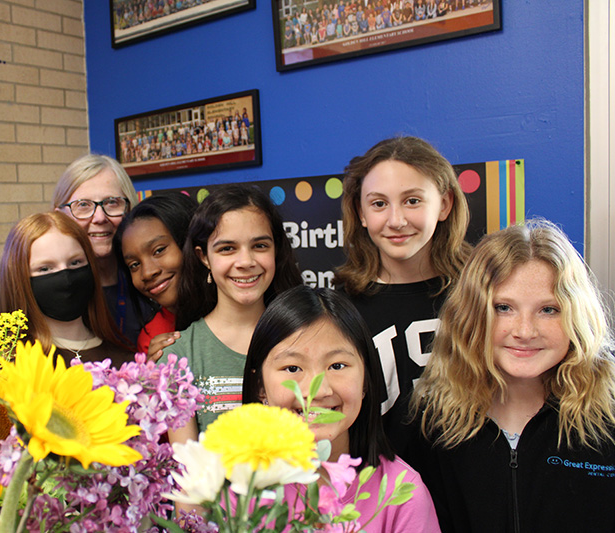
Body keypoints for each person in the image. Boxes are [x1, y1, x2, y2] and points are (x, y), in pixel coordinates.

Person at [405, 220, 615, 532]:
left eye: (549, 310)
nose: (525, 331)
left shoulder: (609, 413)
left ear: (576, 314)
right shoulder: (428, 421)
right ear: (471, 315)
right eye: (504, 308)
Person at [243, 286, 440, 532]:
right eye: (292, 368)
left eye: (337, 365)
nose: (318, 390)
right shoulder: (239, 490)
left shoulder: (401, 493)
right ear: (260, 387)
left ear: (366, 380)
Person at [335, 136, 471, 451]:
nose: (396, 221)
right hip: (380, 492)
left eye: (412, 200)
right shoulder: (340, 309)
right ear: (362, 213)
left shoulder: (480, 294)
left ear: (445, 204)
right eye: (379, 203)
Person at [163, 184, 301, 441]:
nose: (246, 262)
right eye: (227, 248)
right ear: (203, 257)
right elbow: (188, 469)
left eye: (260, 246)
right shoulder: (179, 356)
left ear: (276, 249)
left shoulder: (306, 335)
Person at [0, 212, 133, 368]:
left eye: (75, 262)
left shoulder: (125, 361)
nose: (66, 277)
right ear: (20, 278)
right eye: (45, 268)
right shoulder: (9, 362)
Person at [52, 153, 152, 348]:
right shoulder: (48, 290)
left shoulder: (151, 279)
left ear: (129, 208)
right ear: (60, 217)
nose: (99, 218)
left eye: (112, 202)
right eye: (83, 205)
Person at [115, 192, 197, 360]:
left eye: (159, 250)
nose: (147, 272)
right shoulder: (151, 339)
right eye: (134, 265)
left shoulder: (239, 307)